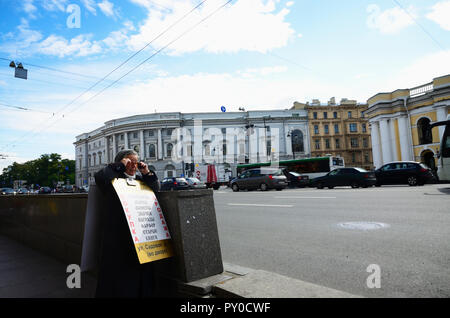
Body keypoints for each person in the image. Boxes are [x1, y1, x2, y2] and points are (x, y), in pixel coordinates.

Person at [94, 149, 160, 297]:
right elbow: (99, 177)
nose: (133, 166)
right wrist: (119, 166)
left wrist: (146, 172)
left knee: (142, 276)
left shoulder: (139, 181)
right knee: (120, 277)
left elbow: (156, 189)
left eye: (136, 163)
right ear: (121, 163)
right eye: (129, 162)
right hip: (118, 237)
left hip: (139, 237)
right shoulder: (113, 180)